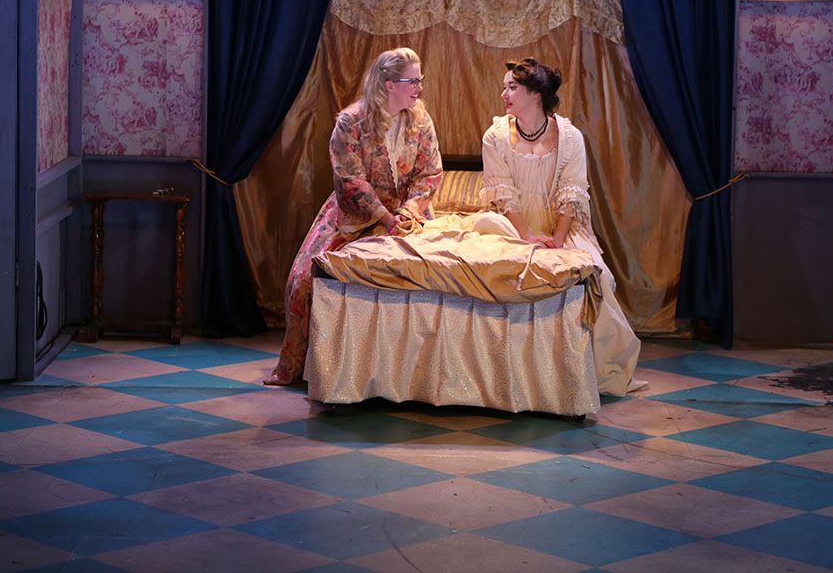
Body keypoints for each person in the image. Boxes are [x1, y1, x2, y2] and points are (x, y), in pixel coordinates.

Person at [265, 47, 443, 385]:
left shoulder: (420, 119)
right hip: (357, 212)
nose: (419, 87)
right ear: (389, 84)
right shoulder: (351, 121)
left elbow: (430, 172)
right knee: (304, 280)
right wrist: (383, 217)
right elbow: (350, 179)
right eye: (413, 81)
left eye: (420, 80)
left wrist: (407, 212)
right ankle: (299, 368)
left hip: (409, 215)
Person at [481, 57, 642, 395]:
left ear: (535, 94)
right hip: (511, 224)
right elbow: (503, 192)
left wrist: (556, 239)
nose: (504, 94)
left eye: (512, 87)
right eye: (505, 87)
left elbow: (571, 191)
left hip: (560, 226)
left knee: (598, 274)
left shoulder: (570, 137)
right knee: (497, 267)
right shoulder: (495, 136)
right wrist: (527, 236)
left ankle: (586, 373)